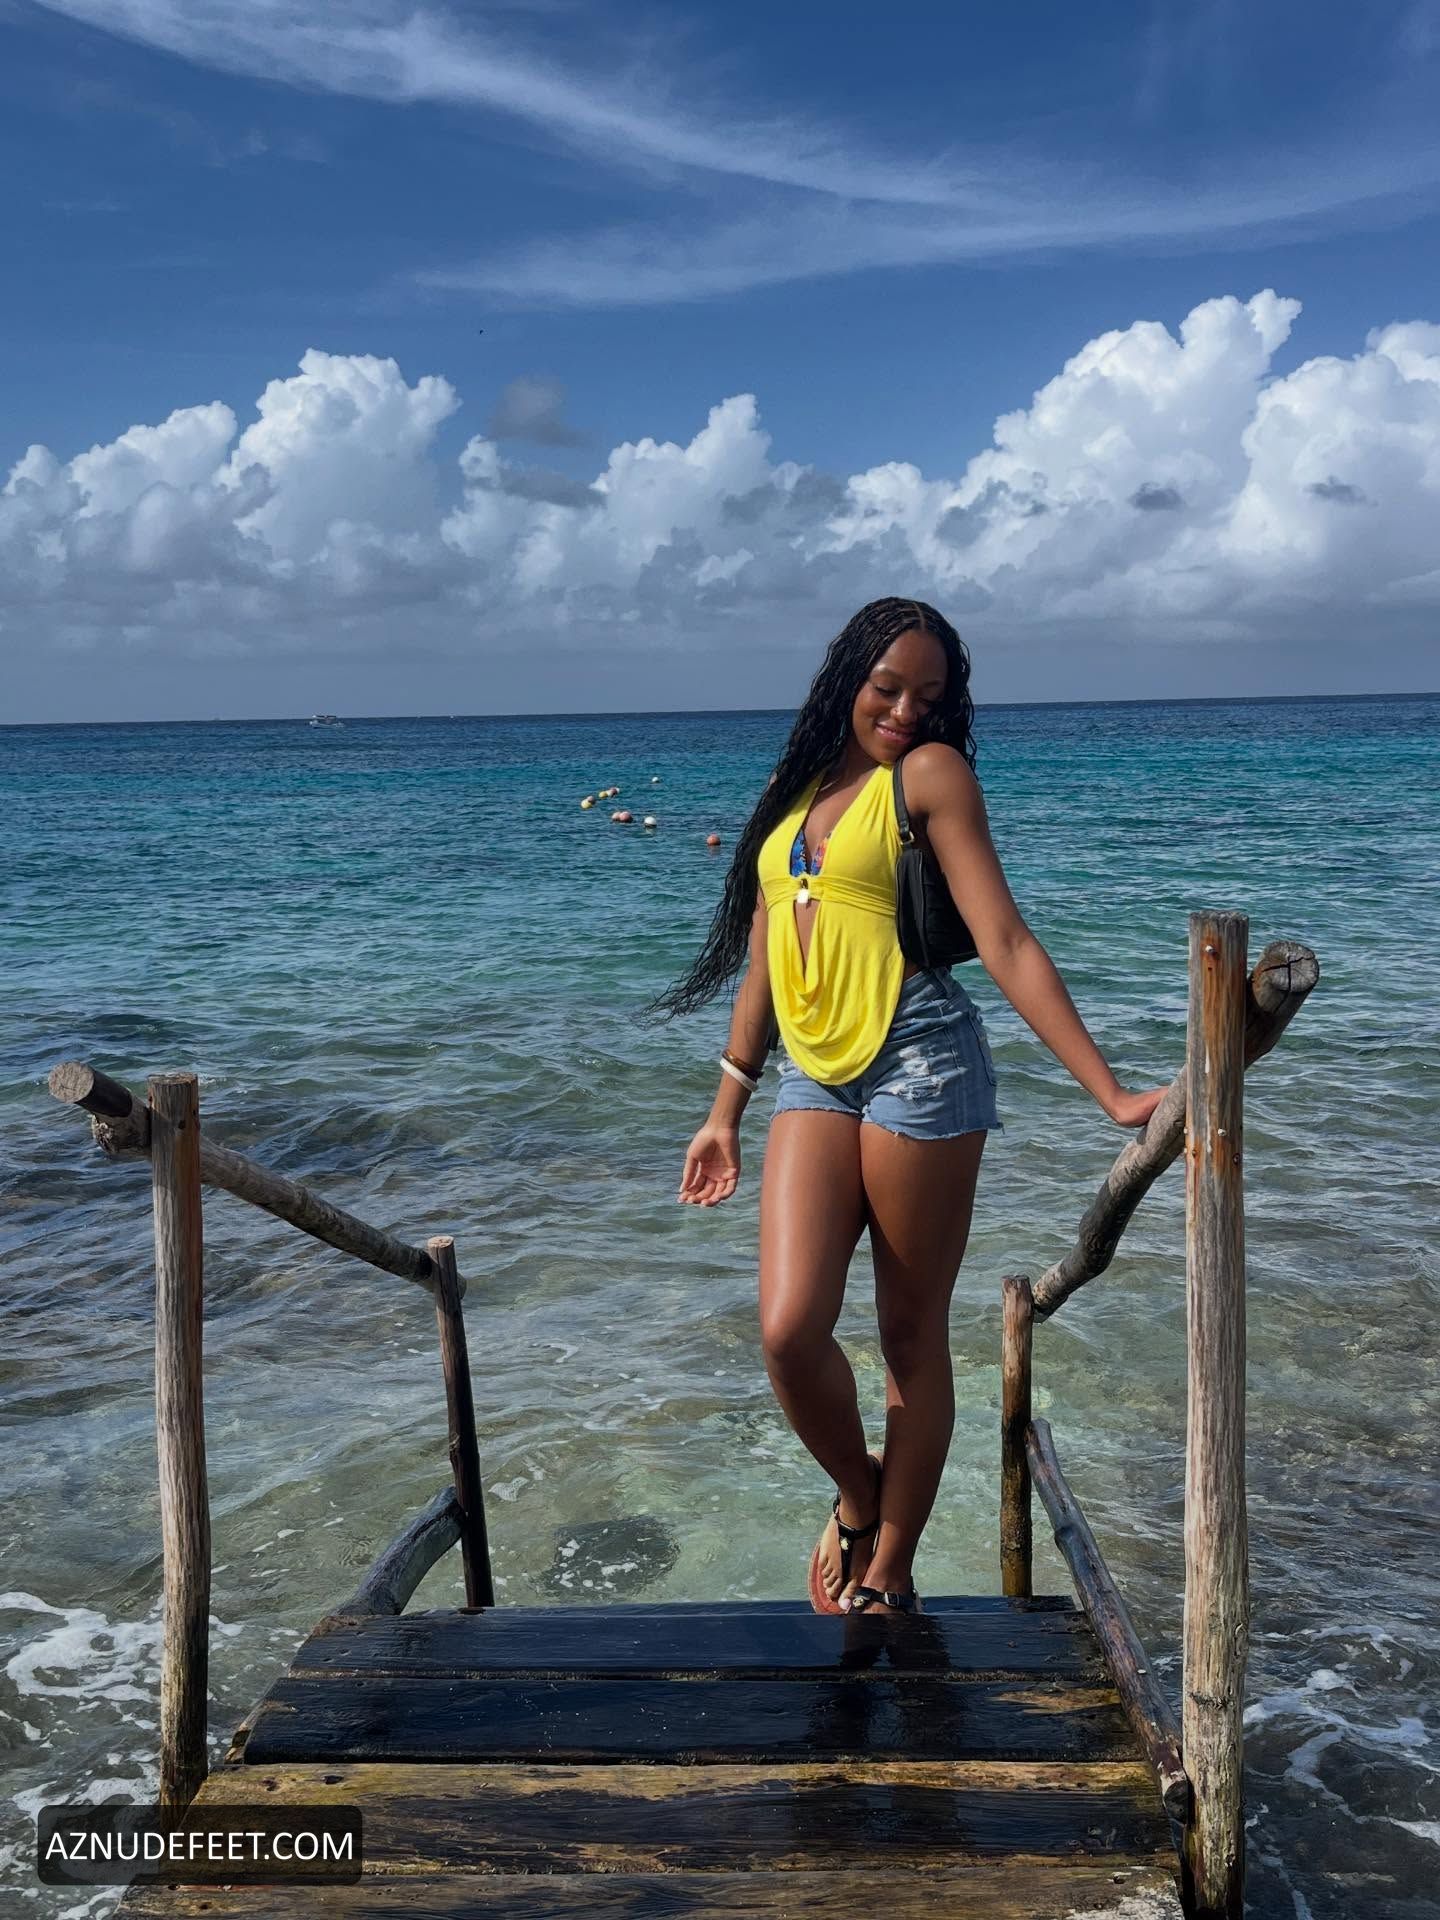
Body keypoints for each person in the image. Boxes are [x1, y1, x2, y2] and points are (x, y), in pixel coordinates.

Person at [652, 598, 1167, 1615]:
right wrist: (725, 1109)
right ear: (847, 677)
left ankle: (890, 1567)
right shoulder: (797, 790)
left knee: (907, 1335)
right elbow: (765, 956)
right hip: (813, 1074)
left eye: (927, 697)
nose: (904, 712)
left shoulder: (928, 777)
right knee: (789, 1330)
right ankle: (859, 1496)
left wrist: (1109, 1092)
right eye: (887, 688)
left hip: (921, 1061)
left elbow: (1005, 940)